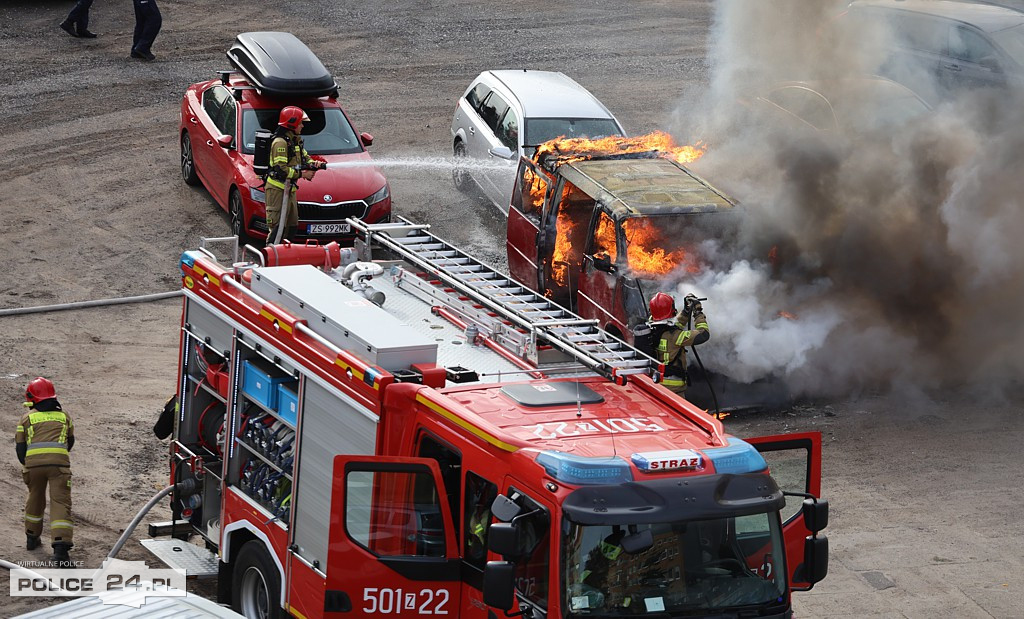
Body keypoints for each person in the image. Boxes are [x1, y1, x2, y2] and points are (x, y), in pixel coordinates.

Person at [16, 378, 75, 567]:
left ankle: (32, 538)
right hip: (59, 466)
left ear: (33, 399)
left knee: (35, 498)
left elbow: (20, 448)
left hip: (33, 466)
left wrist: (30, 463)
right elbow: (70, 441)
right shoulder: (64, 416)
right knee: (60, 502)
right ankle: (60, 551)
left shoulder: (27, 418)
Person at [264, 106, 325, 244]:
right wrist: (303, 174)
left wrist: (315, 164)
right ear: (291, 123)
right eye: (300, 123)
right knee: (277, 227)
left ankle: (285, 253)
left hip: (289, 189)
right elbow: (281, 169)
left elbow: (305, 158)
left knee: (292, 226)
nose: (303, 126)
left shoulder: (295, 140)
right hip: (277, 190)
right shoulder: (280, 142)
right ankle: (271, 256)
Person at [648, 292, 709, 395]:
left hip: (657, 383)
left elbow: (675, 325)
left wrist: (686, 311)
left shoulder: (652, 328)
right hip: (673, 389)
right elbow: (703, 334)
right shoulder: (675, 336)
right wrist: (698, 313)